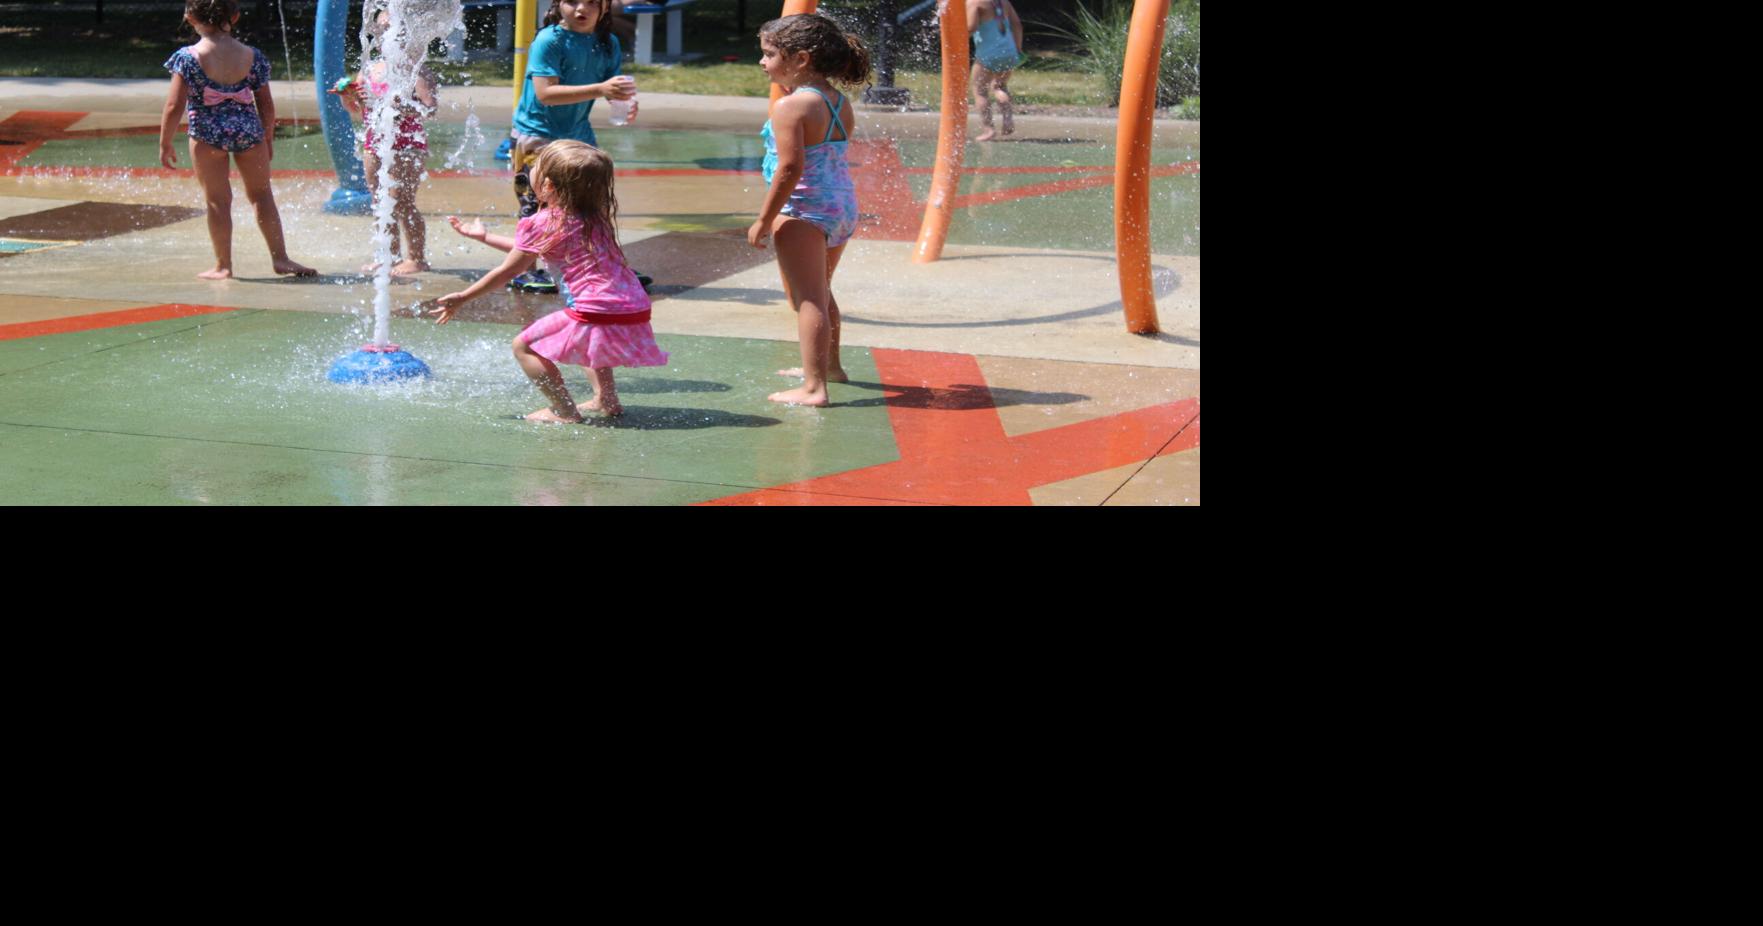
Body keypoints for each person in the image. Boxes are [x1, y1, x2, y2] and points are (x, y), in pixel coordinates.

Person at [429, 141, 666, 423]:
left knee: (524, 347)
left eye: (537, 167)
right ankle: (606, 399)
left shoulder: (542, 222)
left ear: (548, 186)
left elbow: (509, 270)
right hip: (634, 305)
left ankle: (563, 410)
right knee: (593, 343)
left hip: (594, 308)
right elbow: (531, 250)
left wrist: (463, 297)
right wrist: (484, 237)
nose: (530, 169)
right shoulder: (596, 217)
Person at [749, 13, 868, 407]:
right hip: (841, 205)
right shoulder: (837, 101)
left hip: (804, 210)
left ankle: (814, 387)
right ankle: (829, 367)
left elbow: (789, 168)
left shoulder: (791, 107)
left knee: (808, 298)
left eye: (769, 55)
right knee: (822, 291)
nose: (763, 62)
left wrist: (765, 219)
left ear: (800, 59)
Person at [159, 0, 315, 279]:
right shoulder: (252, 56)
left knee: (218, 201)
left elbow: (174, 106)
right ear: (235, 16)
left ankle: (223, 265)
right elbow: (266, 104)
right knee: (262, 196)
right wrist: (266, 137)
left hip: (207, 135)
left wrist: (165, 142)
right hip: (249, 133)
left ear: (189, 16)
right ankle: (281, 259)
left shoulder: (187, 57)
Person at [507, 0, 637, 294]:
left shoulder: (607, 43)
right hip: (537, 135)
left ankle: (598, 266)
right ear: (557, 4)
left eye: (592, 2)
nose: (582, 9)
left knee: (594, 203)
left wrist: (624, 103)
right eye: (572, 1)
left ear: (605, 7)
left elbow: (612, 88)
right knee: (537, 205)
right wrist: (601, 89)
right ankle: (525, 270)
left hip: (579, 135)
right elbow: (545, 93)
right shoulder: (549, 40)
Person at [338, 7, 436, 275]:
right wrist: (347, 97)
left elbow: (429, 109)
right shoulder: (369, 69)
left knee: (402, 200)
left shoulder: (417, 70)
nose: (385, 34)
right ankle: (388, 256)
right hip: (375, 142)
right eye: (381, 29)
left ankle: (416, 258)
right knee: (380, 200)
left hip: (407, 144)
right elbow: (358, 110)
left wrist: (401, 105)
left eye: (392, 28)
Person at [967, 0, 1023, 142]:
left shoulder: (974, 3)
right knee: (999, 86)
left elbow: (971, 27)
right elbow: (1017, 24)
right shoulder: (1004, 2)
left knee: (980, 91)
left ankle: (988, 129)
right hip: (1009, 52)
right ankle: (1008, 120)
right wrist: (1018, 48)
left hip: (988, 54)